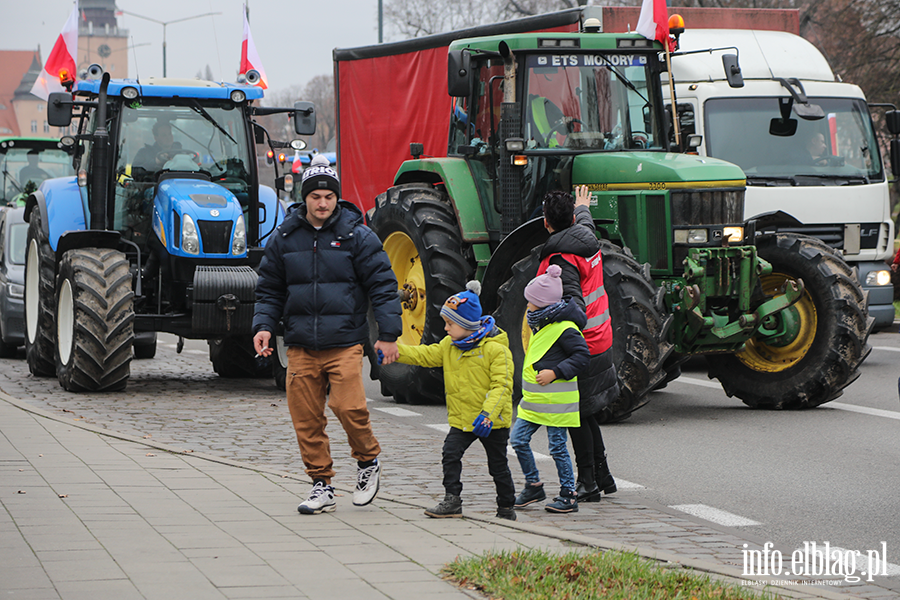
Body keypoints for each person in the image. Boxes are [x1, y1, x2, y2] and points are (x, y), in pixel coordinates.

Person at [252, 154, 402, 515]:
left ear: (337, 199)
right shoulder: (285, 238)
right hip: (301, 343)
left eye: (329, 197)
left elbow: (383, 285)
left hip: (345, 342)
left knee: (348, 407)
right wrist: (263, 327)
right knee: (306, 418)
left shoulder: (357, 236)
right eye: (316, 196)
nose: (322, 203)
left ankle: (368, 462)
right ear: (305, 198)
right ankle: (322, 485)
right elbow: (269, 288)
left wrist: (389, 334)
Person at [385, 281, 517, 521]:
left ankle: (506, 508)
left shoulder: (496, 351)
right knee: (450, 454)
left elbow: (502, 387)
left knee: (497, 466)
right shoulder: (450, 345)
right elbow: (425, 355)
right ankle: (452, 500)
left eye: (450, 324)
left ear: (467, 324)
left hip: (490, 421)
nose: (445, 328)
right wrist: (397, 351)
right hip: (463, 418)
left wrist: (487, 415)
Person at [538, 185, 619, 503]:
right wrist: (583, 205)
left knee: (577, 416)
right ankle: (603, 477)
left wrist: (540, 314)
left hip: (581, 344)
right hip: (603, 338)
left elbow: (573, 306)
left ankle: (587, 482)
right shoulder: (585, 237)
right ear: (572, 218)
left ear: (546, 223)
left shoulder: (561, 257)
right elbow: (585, 221)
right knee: (587, 413)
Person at [511, 265, 590, 514]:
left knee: (557, 447)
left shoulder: (564, 328)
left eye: (531, 302)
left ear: (544, 305)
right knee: (518, 439)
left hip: (556, 403)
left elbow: (582, 356)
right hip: (534, 402)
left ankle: (568, 495)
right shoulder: (542, 323)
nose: (527, 307)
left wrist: (555, 372)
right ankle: (534, 484)